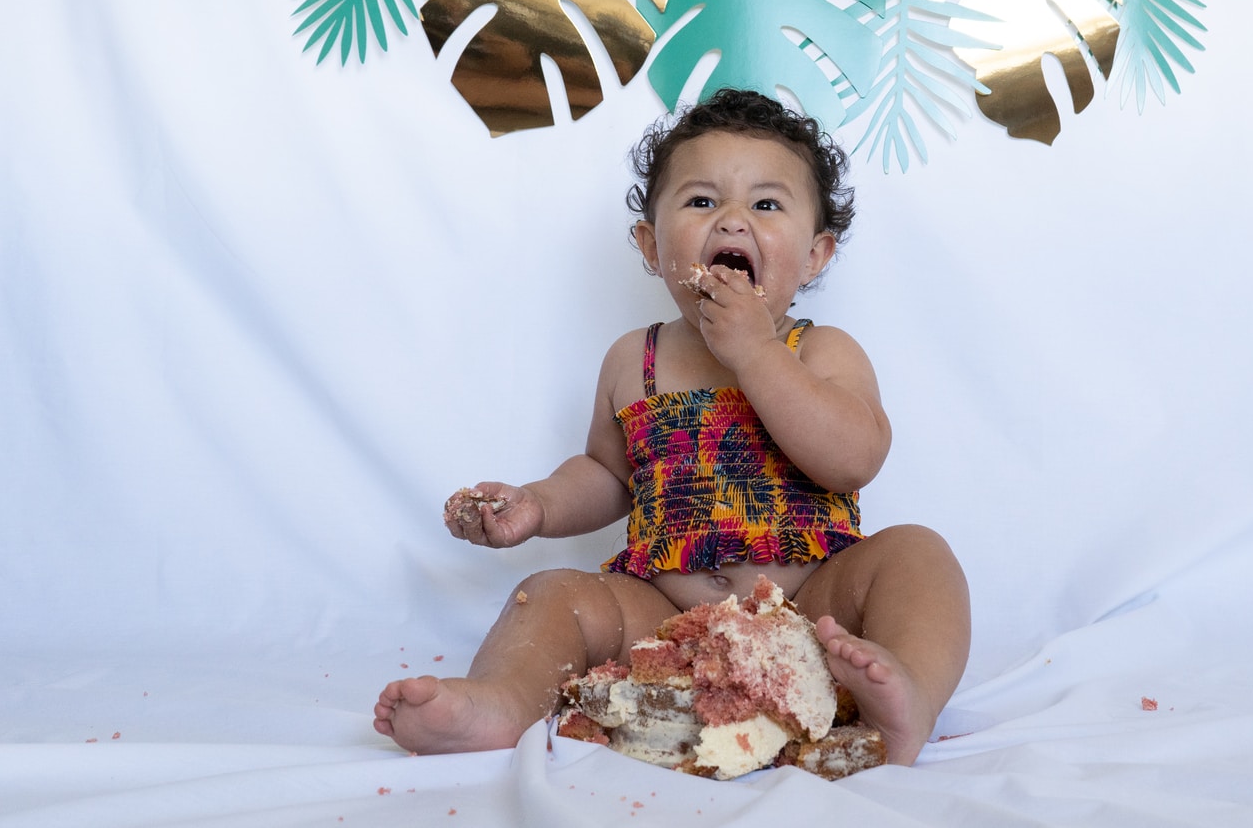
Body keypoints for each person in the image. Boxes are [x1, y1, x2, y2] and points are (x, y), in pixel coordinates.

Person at [373, 88, 970, 767]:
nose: (733, 222)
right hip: (665, 618)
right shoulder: (637, 359)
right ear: (653, 247)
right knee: (554, 594)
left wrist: (755, 351)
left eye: (767, 204)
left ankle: (908, 697)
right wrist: (538, 504)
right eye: (702, 201)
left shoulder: (820, 350)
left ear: (815, 254)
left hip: (810, 609)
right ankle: (497, 702)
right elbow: (605, 473)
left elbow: (855, 457)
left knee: (919, 555)